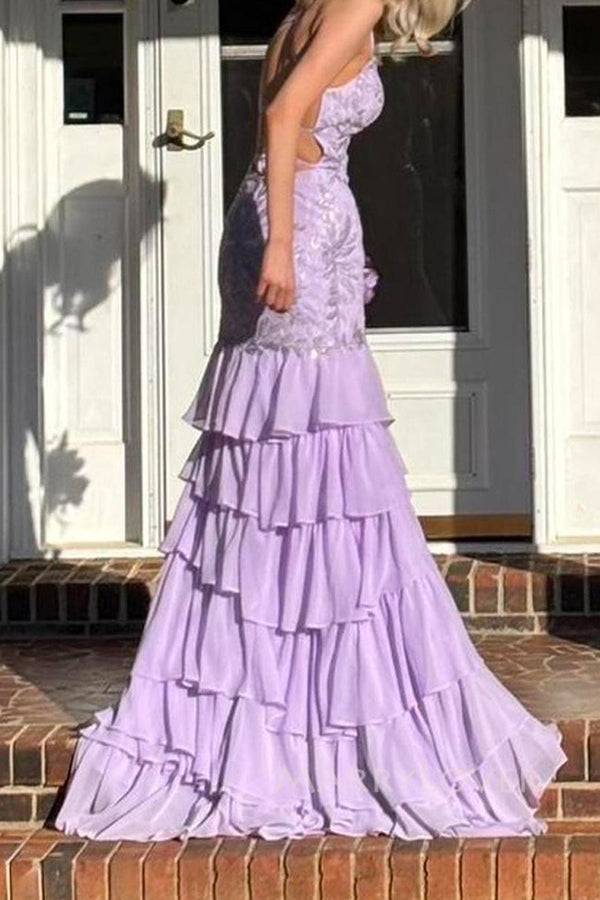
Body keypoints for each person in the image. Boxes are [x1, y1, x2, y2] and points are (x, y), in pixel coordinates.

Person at [54, 0, 567, 841]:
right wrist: (286, 243)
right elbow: (284, 115)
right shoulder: (356, 1)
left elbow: (288, 122)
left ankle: (278, 670)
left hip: (274, 213)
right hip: (295, 227)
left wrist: (283, 224)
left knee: (280, 452)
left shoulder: (308, 7)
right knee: (314, 446)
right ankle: (310, 688)